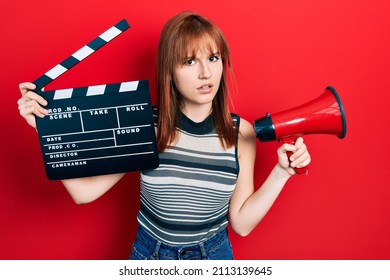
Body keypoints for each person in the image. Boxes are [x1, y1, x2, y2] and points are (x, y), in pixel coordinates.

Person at [17, 11, 310, 260]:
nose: (206, 73)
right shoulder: (147, 125)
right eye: (190, 61)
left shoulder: (241, 133)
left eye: (213, 57)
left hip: (214, 256)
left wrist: (281, 173)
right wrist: (46, 130)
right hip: (150, 254)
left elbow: (241, 223)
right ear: (169, 71)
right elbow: (84, 193)